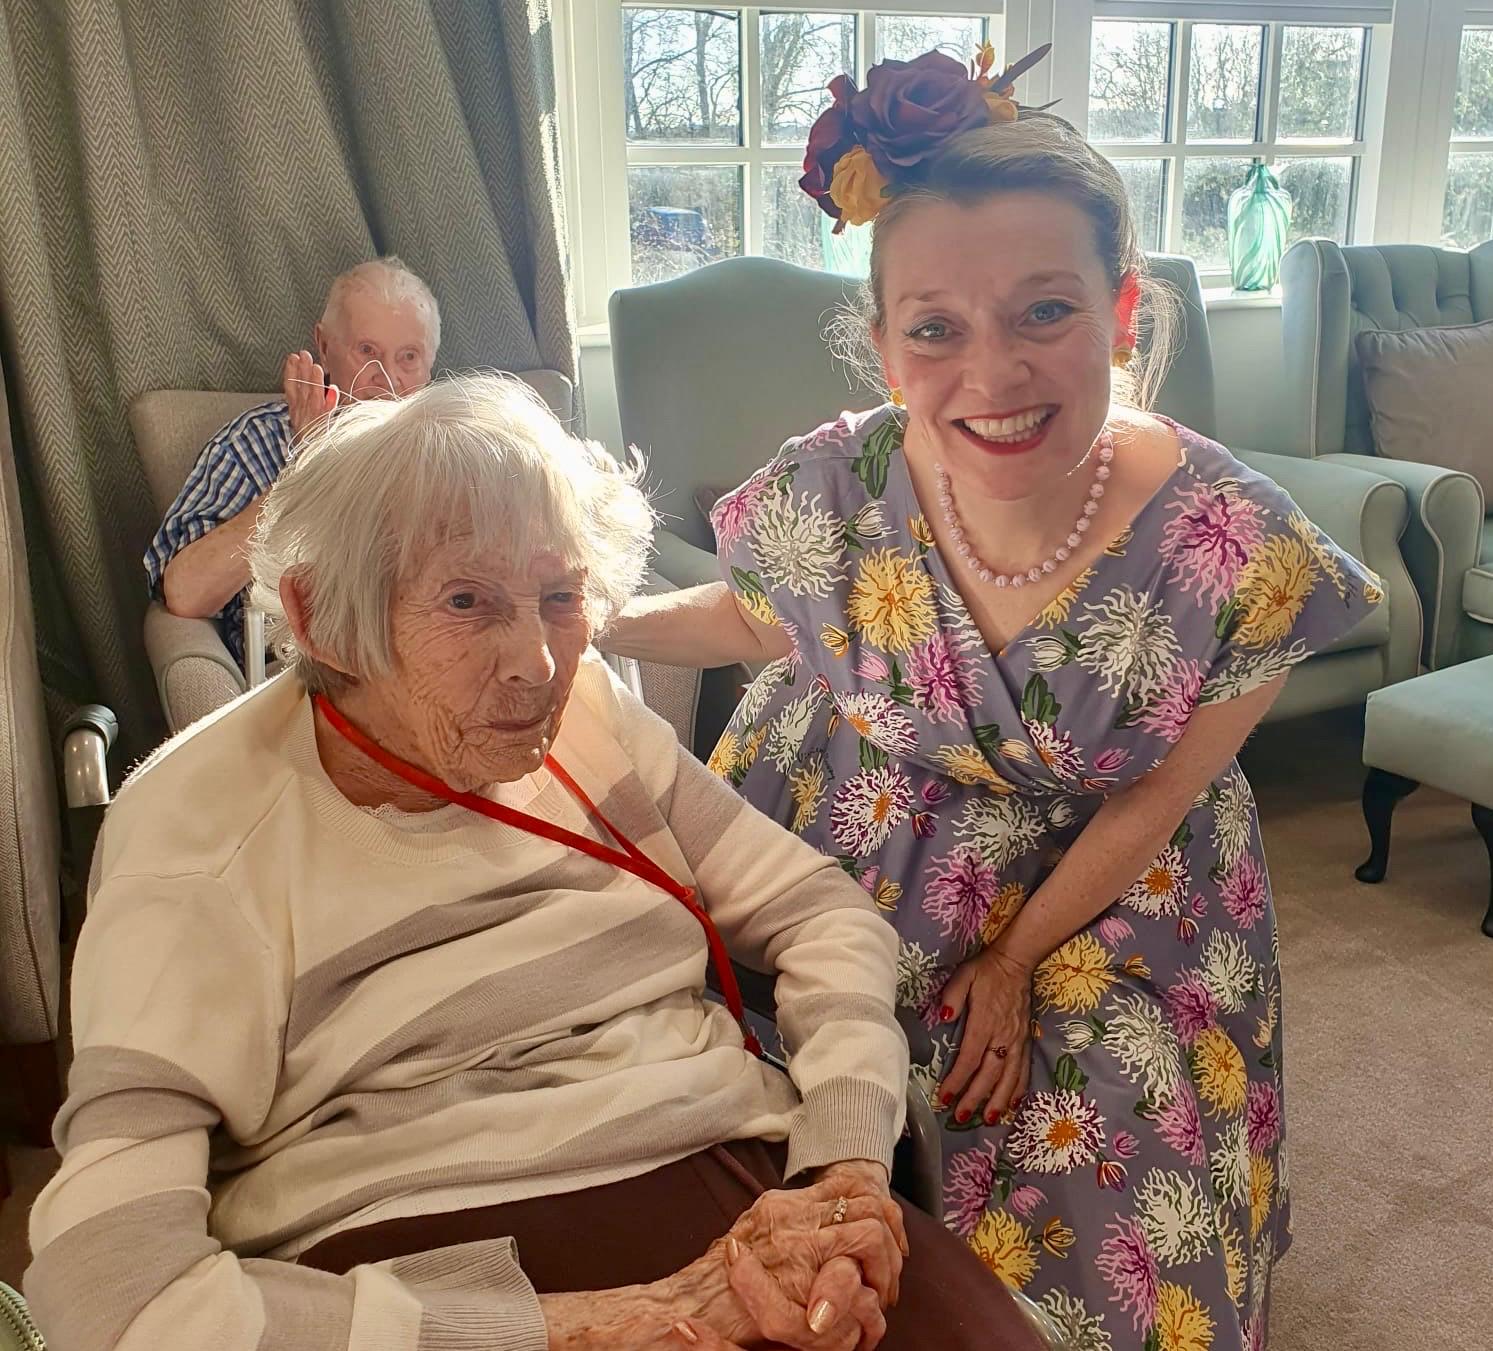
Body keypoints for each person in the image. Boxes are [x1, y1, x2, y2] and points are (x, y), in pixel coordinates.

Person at [600, 46, 1384, 1351]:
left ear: (1120, 311)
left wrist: (1012, 959)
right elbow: (757, 616)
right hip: (832, 829)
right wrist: (583, 614)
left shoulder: (1235, 541)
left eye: (1043, 312)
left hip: (1103, 893)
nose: (992, 373)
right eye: (935, 328)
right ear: (883, 342)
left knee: (1103, 1227)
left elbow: (1154, 796)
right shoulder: (839, 475)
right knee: (715, 1156)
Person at [27, 375, 1049, 1351]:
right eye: (466, 602)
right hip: (407, 1248)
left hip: (726, 1165)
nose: (539, 663)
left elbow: (820, 914)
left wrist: (841, 1170)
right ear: (318, 615)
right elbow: (113, 1291)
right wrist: (606, 1324)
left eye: (560, 595)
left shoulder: (591, 715)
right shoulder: (196, 832)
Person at [142, 255, 440, 670]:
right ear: (324, 347)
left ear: (430, 367)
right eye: (367, 351)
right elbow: (186, 594)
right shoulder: (255, 442)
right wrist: (308, 467)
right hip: (305, 677)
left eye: (408, 357)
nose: (387, 378)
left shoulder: (454, 452)